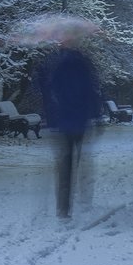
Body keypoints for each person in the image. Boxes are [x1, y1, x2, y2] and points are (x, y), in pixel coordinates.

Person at [35, 43, 102, 218]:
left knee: (64, 164)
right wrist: (97, 115)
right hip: (80, 121)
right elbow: (92, 92)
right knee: (80, 159)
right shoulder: (84, 65)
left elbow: (48, 91)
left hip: (61, 122)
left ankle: (63, 207)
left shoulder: (55, 66)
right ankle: (84, 196)